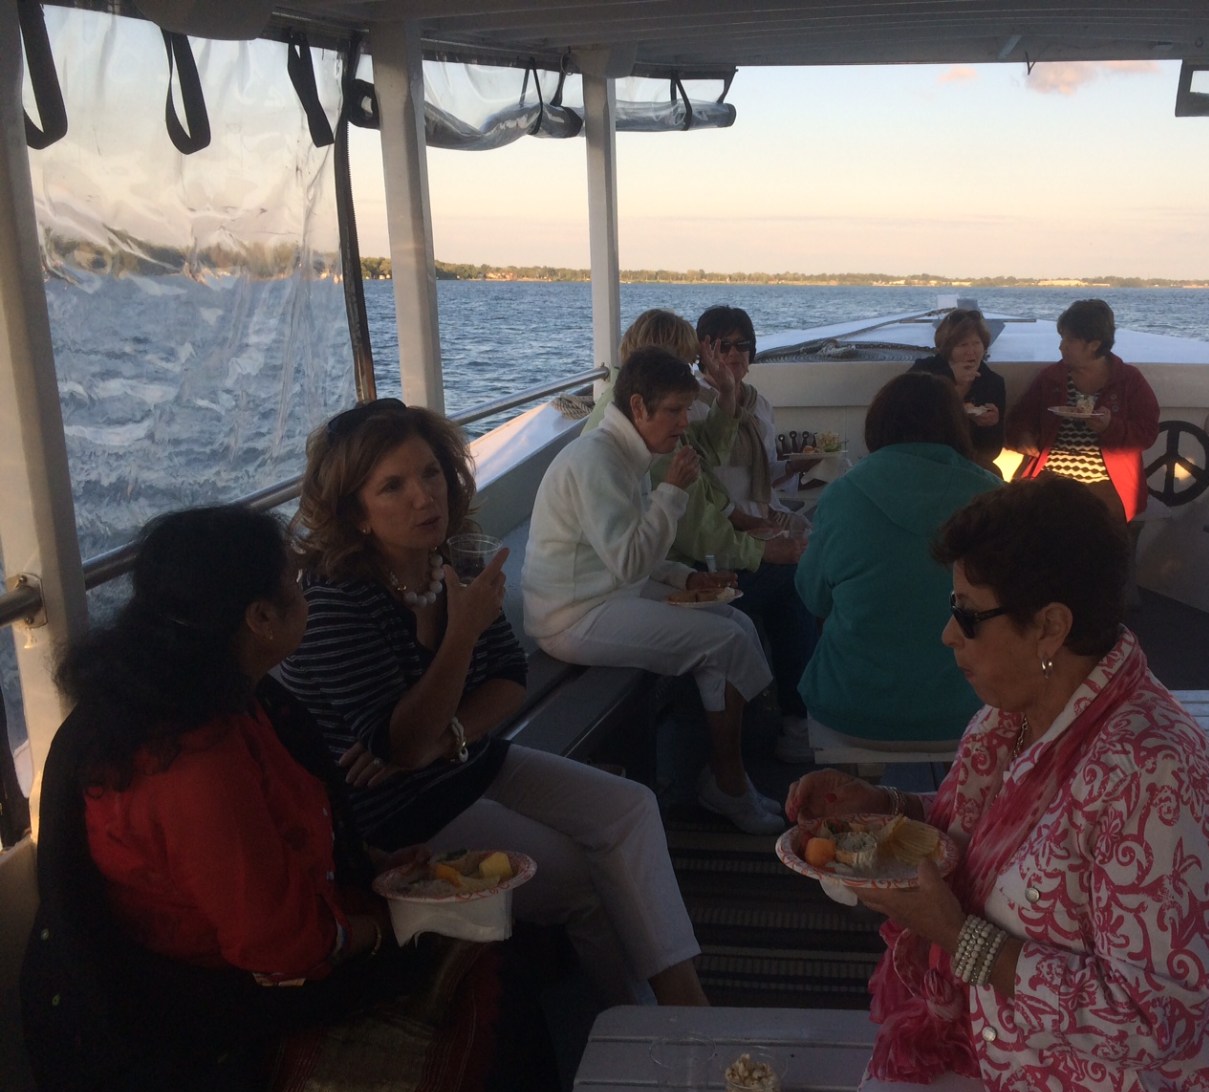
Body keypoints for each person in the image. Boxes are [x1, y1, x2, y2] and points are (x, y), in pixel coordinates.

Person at [20, 506, 563, 1092]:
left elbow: (292, 826)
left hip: (256, 954)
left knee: (506, 951)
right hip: (202, 1011)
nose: (305, 595)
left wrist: (377, 865)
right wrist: (395, 922)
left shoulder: (222, 699)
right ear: (260, 618)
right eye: (294, 584)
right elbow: (283, 950)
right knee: (497, 1000)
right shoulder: (192, 764)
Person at [790, 478, 1209, 1092]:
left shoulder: (1156, 778)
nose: (948, 633)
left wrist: (956, 937)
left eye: (968, 615)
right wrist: (887, 812)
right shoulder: (1009, 721)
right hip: (1019, 1058)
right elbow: (973, 845)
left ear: (1050, 627)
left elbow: (1151, 1023)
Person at [283, 398, 705, 1007]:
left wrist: (441, 740)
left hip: (461, 762)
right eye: (392, 487)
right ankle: (638, 1030)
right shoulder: (337, 606)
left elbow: (508, 677)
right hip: (398, 818)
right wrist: (459, 637)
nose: (425, 497)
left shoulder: (446, 561)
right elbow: (397, 743)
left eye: (430, 473)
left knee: (632, 807)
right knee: (583, 879)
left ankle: (687, 1005)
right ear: (357, 513)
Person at [522, 346, 786, 834]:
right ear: (638, 406)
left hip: (606, 594)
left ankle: (727, 780)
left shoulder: (627, 453)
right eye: (675, 410)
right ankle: (728, 784)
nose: (686, 422)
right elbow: (627, 561)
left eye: (688, 409)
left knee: (737, 621)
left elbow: (630, 552)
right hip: (572, 615)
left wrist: (686, 578)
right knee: (723, 641)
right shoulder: (596, 460)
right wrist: (672, 493)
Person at [586, 309, 817, 764]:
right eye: (690, 363)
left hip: (663, 565)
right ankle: (778, 728)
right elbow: (694, 530)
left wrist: (727, 396)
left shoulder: (644, 415)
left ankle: (764, 732)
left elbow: (704, 460)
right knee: (790, 583)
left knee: (781, 579)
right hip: (642, 580)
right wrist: (764, 550)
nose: (696, 375)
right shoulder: (631, 433)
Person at [795, 372, 999, 747]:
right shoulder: (994, 499)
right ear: (956, 425)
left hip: (850, 707)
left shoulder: (843, 495)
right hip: (968, 710)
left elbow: (814, 598)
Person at [1005, 298, 1161, 522]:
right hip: (1051, 474)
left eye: (1070, 340)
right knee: (1028, 515)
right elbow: (1020, 418)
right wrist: (1023, 436)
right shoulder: (1052, 378)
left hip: (1106, 480)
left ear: (1094, 344)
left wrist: (1110, 427)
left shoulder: (1128, 380)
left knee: (1091, 520)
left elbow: (1147, 434)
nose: (1061, 346)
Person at [695, 304, 810, 532]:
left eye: (742, 344)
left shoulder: (760, 405)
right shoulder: (692, 405)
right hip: (724, 524)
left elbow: (764, 472)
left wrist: (793, 466)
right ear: (705, 352)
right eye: (723, 346)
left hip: (765, 512)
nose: (734, 353)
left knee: (817, 539)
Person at [909, 307, 1006, 467]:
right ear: (947, 348)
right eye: (963, 345)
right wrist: (948, 376)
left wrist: (991, 425)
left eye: (976, 343)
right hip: (923, 456)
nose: (971, 351)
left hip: (967, 462)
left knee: (992, 471)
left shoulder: (992, 382)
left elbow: (991, 451)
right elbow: (903, 412)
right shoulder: (924, 372)